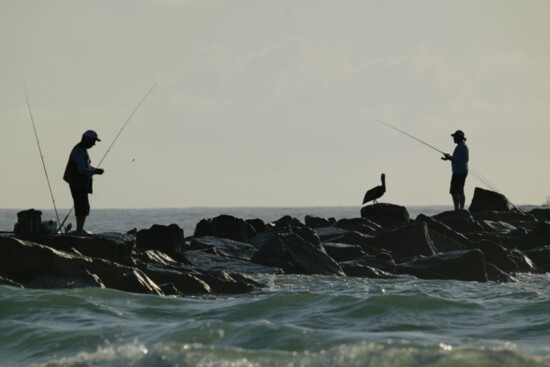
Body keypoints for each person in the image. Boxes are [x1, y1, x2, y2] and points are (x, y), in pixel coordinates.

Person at [63, 130, 104, 234]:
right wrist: (95, 171)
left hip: (79, 183)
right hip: (77, 183)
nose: (94, 144)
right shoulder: (79, 151)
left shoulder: (82, 150)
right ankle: (79, 230)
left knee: (83, 207)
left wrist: (95, 170)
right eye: (93, 141)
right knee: (82, 207)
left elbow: (86, 167)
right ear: (87, 140)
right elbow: (81, 170)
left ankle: (79, 229)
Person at [442, 130, 469, 210]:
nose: (453, 138)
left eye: (455, 137)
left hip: (458, 172)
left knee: (454, 192)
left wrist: (449, 157)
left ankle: (457, 209)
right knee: (460, 191)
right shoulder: (463, 146)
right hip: (461, 171)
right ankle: (461, 209)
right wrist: (448, 158)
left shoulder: (460, 147)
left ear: (459, 137)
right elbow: (457, 159)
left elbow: (456, 159)